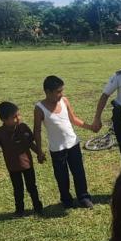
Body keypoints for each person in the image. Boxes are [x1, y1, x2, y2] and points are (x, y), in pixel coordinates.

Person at [34, 75, 94, 209]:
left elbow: (73, 119)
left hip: (73, 144)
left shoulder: (64, 101)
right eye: (58, 92)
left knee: (79, 172)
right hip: (57, 149)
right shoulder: (39, 108)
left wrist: (90, 127)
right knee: (62, 176)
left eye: (62, 91)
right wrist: (39, 151)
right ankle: (66, 200)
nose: (61, 94)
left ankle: (83, 197)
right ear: (48, 92)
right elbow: (37, 131)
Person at [0, 101, 44, 216]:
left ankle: (38, 206)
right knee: (18, 189)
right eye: (14, 117)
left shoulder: (23, 127)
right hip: (13, 167)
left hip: (27, 165)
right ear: (4, 120)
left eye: (18, 115)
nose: (18, 118)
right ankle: (19, 210)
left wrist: (39, 154)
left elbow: (31, 143)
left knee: (32, 187)